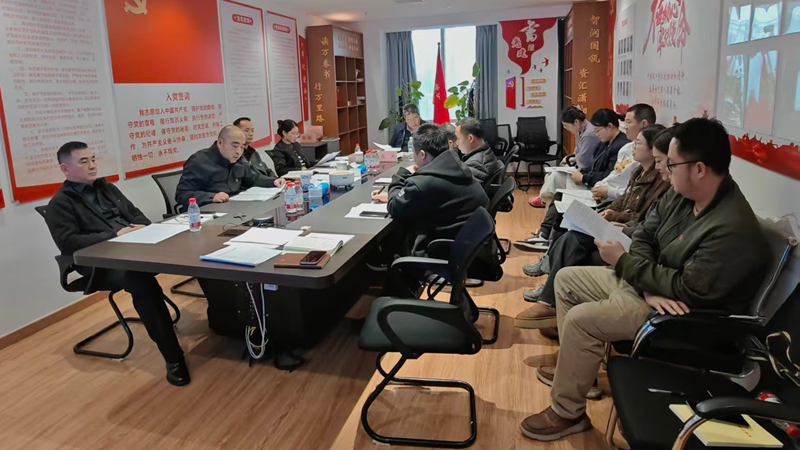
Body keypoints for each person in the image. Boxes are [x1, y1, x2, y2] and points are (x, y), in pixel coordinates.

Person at [519, 118, 769, 442]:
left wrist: (631, 268)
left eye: (672, 164)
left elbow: (687, 289)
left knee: (581, 320)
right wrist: (647, 283)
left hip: (680, 314)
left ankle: (567, 412)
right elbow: (644, 234)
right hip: (649, 289)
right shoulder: (683, 195)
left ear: (699, 169)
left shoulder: (731, 229)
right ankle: (582, 374)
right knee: (567, 279)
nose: (666, 171)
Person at [44, 142, 190, 386]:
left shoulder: (107, 188)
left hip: (135, 249)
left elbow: (137, 215)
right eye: (84, 161)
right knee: (140, 279)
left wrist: (141, 227)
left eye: (93, 159)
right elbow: (69, 242)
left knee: (190, 251)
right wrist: (114, 235)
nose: (92, 165)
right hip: (102, 265)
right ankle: (173, 357)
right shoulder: (60, 204)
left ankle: (222, 317)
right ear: (65, 168)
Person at [515, 125, 671, 332]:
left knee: (575, 239)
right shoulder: (639, 171)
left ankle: (550, 301)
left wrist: (619, 221)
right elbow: (625, 200)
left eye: (638, 143)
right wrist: (611, 212)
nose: (632, 146)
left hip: (630, 238)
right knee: (570, 229)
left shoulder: (663, 183)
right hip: (624, 228)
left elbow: (645, 223)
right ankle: (552, 300)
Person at [372, 123, 489, 257]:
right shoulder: (458, 166)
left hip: (442, 251)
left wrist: (402, 173)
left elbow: (394, 206)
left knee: (392, 240)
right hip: (469, 248)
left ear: (422, 154)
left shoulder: (424, 183)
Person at [176, 125, 284, 208]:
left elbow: (252, 178)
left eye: (242, 147)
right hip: (209, 211)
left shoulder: (239, 159)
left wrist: (273, 181)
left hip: (235, 207)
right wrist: (212, 197)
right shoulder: (199, 161)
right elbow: (182, 194)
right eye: (235, 146)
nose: (238, 152)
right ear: (220, 143)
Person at [527, 106, 601, 208]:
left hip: (586, 173)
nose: (566, 129)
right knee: (551, 174)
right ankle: (544, 198)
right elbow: (577, 152)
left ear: (576, 122)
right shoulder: (580, 130)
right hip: (581, 167)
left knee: (555, 176)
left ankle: (544, 199)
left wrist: (573, 163)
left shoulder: (589, 135)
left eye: (566, 126)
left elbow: (583, 161)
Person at [591, 103, 657, 202]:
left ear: (644, 124)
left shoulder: (647, 155)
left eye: (629, 122)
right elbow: (614, 173)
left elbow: (637, 193)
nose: (625, 126)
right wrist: (598, 188)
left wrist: (609, 192)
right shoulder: (626, 148)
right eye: (625, 122)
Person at [456, 118, 504, 186]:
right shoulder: (486, 152)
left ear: (470, 138)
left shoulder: (475, 164)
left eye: (458, 139)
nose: (456, 143)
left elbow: (464, 189)